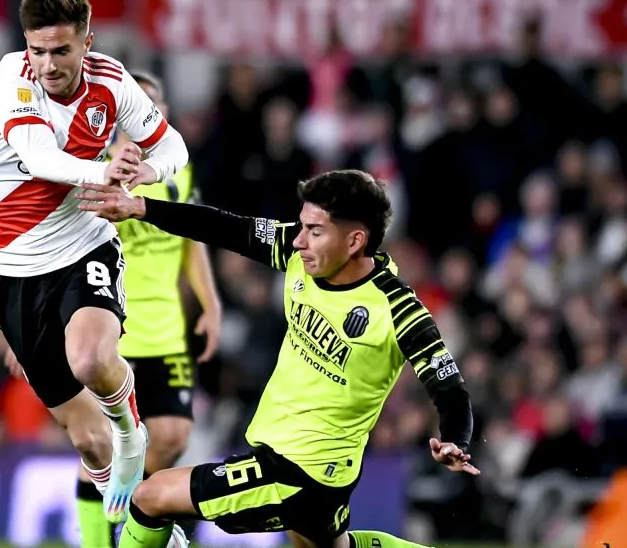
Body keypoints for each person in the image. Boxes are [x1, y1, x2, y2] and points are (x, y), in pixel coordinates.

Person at [77, 169, 478, 548]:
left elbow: (449, 388)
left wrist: (455, 440)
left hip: (301, 473)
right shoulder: (298, 251)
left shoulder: (398, 310)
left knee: (151, 497)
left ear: (355, 241)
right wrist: (143, 208)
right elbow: (222, 226)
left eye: (315, 231)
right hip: (309, 468)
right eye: (302, 225)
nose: (300, 239)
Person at [0, 0, 189, 524]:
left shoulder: (112, 83)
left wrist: (146, 170)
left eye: (61, 50)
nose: (47, 64)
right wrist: (106, 171)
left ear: (86, 42)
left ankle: (131, 433)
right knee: (88, 443)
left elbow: (173, 148)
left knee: (91, 359)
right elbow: (39, 156)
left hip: (81, 245)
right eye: (38, 50)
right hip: (11, 265)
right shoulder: (10, 78)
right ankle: (139, 515)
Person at [74, 71, 222, 547]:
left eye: (152, 110)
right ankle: (103, 541)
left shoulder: (177, 170)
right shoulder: (94, 167)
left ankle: (133, 520)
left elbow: (193, 238)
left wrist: (211, 303)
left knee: (173, 437)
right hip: (109, 328)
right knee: (99, 443)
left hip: (165, 330)